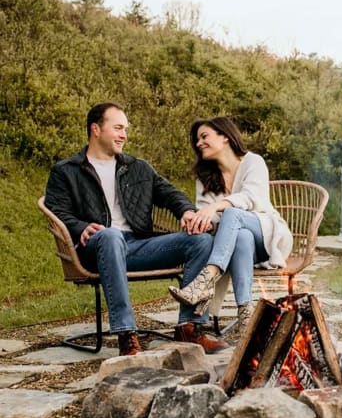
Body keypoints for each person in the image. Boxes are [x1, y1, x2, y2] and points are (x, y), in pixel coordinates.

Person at [44, 103, 229, 356]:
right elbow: (57, 209)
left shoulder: (137, 167)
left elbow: (169, 193)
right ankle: (126, 334)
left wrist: (186, 211)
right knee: (110, 235)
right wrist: (81, 227)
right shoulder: (66, 170)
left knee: (201, 242)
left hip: (138, 244)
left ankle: (189, 327)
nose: (124, 135)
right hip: (96, 246)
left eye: (126, 129)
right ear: (96, 129)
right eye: (118, 128)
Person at [168, 117, 292, 332]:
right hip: (239, 244)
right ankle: (245, 311)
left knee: (233, 213)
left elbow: (251, 197)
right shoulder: (204, 177)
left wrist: (215, 208)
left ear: (225, 136)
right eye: (197, 140)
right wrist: (201, 223)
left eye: (204, 136)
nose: (199, 143)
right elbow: (212, 218)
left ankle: (205, 281)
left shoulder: (253, 162)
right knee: (242, 235)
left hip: (268, 235)